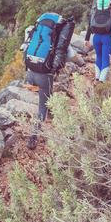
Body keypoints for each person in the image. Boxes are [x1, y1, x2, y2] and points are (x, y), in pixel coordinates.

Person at [21, 18, 75, 150]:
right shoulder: (59, 40)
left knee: (47, 94)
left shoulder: (37, 33)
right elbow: (70, 55)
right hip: (43, 77)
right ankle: (32, 136)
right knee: (41, 109)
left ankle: (51, 112)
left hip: (30, 73)